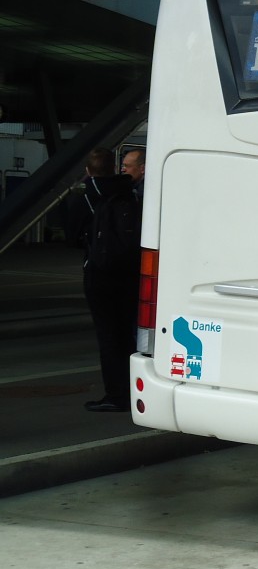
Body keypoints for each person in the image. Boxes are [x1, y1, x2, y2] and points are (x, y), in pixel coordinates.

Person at [78, 147, 142, 413]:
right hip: (129, 272)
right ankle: (131, 390)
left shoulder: (89, 195)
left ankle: (114, 395)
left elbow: (72, 231)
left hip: (100, 274)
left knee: (107, 336)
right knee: (127, 334)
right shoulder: (130, 193)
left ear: (88, 171)